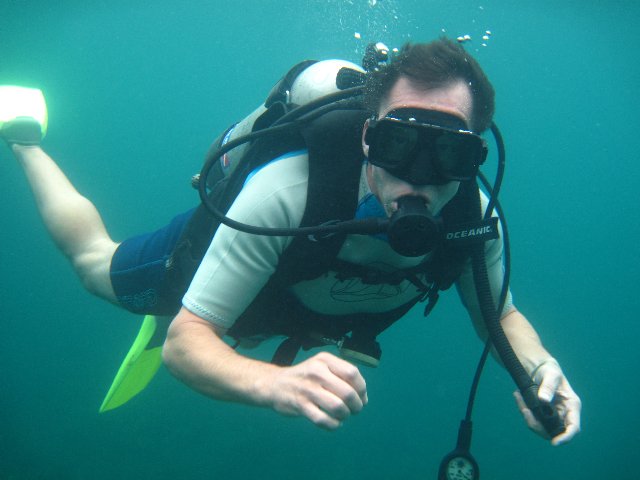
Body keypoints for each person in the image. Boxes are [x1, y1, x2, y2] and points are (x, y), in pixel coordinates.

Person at [1, 38, 581, 444]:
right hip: (236, 266)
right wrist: (274, 383)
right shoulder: (287, 192)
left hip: (298, 302)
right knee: (94, 266)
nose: (418, 179)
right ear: (366, 139)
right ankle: (25, 137)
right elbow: (185, 342)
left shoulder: (473, 220)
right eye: (397, 145)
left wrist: (539, 369)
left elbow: (500, 316)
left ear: (475, 158)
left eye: (450, 153)